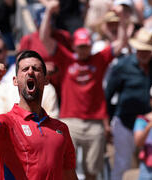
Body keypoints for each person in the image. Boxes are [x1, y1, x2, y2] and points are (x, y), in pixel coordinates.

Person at [39, 1, 128, 179]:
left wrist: (122, 19)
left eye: (86, 46)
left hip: (94, 122)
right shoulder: (66, 59)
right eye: (80, 46)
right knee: (64, 166)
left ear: (90, 45)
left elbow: (121, 42)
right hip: (70, 121)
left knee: (92, 170)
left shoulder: (99, 59)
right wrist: (48, 12)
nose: (83, 50)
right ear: (74, 45)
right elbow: (44, 39)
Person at [0, 50, 77, 180]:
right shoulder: (7, 122)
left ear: (46, 80)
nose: (30, 72)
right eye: (25, 69)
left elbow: (69, 176)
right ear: (15, 81)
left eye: (36, 69)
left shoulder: (61, 129)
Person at [105, 28, 152, 180]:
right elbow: (108, 93)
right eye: (141, 50)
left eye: (147, 50)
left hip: (148, 124)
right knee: (122, 165)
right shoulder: (122, 66)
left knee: (148, 166)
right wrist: (107, 121)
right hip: (125, 122)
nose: (144, 53)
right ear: (136, 49)